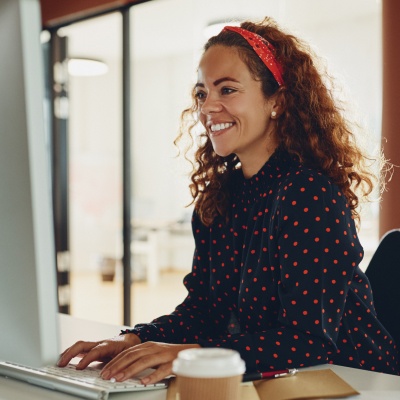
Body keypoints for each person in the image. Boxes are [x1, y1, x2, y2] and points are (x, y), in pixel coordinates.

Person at [58, 17, 399, 382]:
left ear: (277, 102)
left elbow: (309, 341)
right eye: (203, 93)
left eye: (228, 90)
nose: (207, 107)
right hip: (281, 380)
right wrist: (134, 338)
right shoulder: (219, 198)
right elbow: (204, 311)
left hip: (358, 381)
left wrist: (191, 355)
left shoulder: (309, 195)